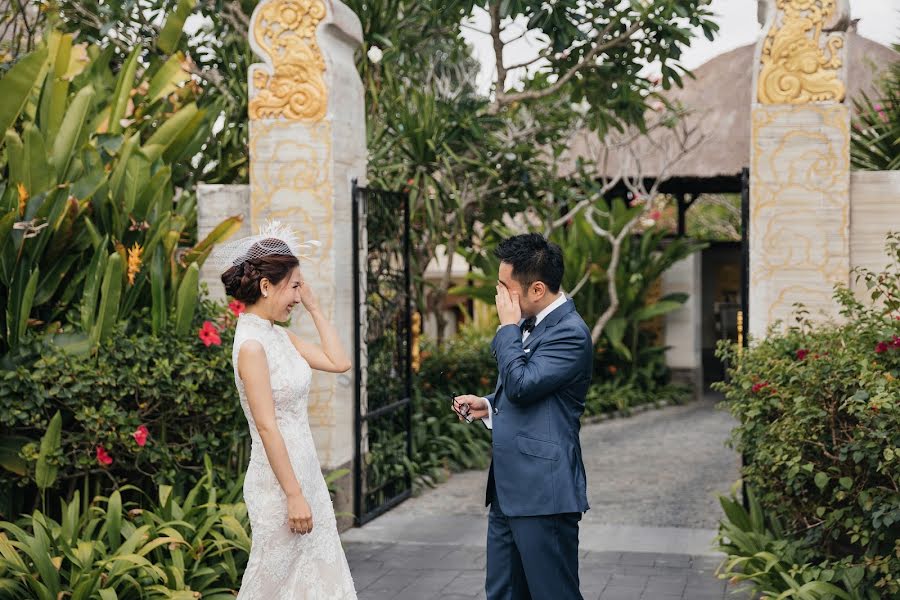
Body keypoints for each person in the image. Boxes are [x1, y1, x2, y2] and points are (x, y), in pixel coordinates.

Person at [212, 221, 357, 599]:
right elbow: (267, 426)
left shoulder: (277, 334)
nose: (297, 295)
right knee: (275, 584)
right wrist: (293, 495)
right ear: (265, 286)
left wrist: (313, 306)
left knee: (316, 578)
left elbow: (339, 361)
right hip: (279, 485)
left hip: (304, 470)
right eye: (294, 286)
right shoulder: (251, 346)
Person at [453, 233, 592, 600]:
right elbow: (525, 393)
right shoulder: (531, 325)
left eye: (505, 287)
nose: (499, 296)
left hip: (544, 493)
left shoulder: (571, 333)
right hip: (507, 491)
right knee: (502, 593)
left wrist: (508, 328)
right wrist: (488, 404)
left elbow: (523, 385)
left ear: (536, 289)